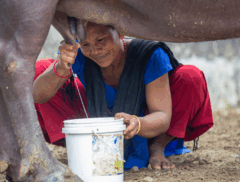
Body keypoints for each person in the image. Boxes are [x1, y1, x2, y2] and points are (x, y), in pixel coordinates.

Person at [32, 22, 213, 170]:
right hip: (99, 125)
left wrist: (137, 122)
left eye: (101, 39)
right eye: (86, 44)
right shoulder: (80, 54)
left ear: (120, 33)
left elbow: (163, 116)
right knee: (42, 70)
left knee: (190, 76)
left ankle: (157, 147)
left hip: (150, 129)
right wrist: (62, 67)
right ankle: (83, 146)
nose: (95, 50)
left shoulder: (149, 54)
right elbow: (37, 95)